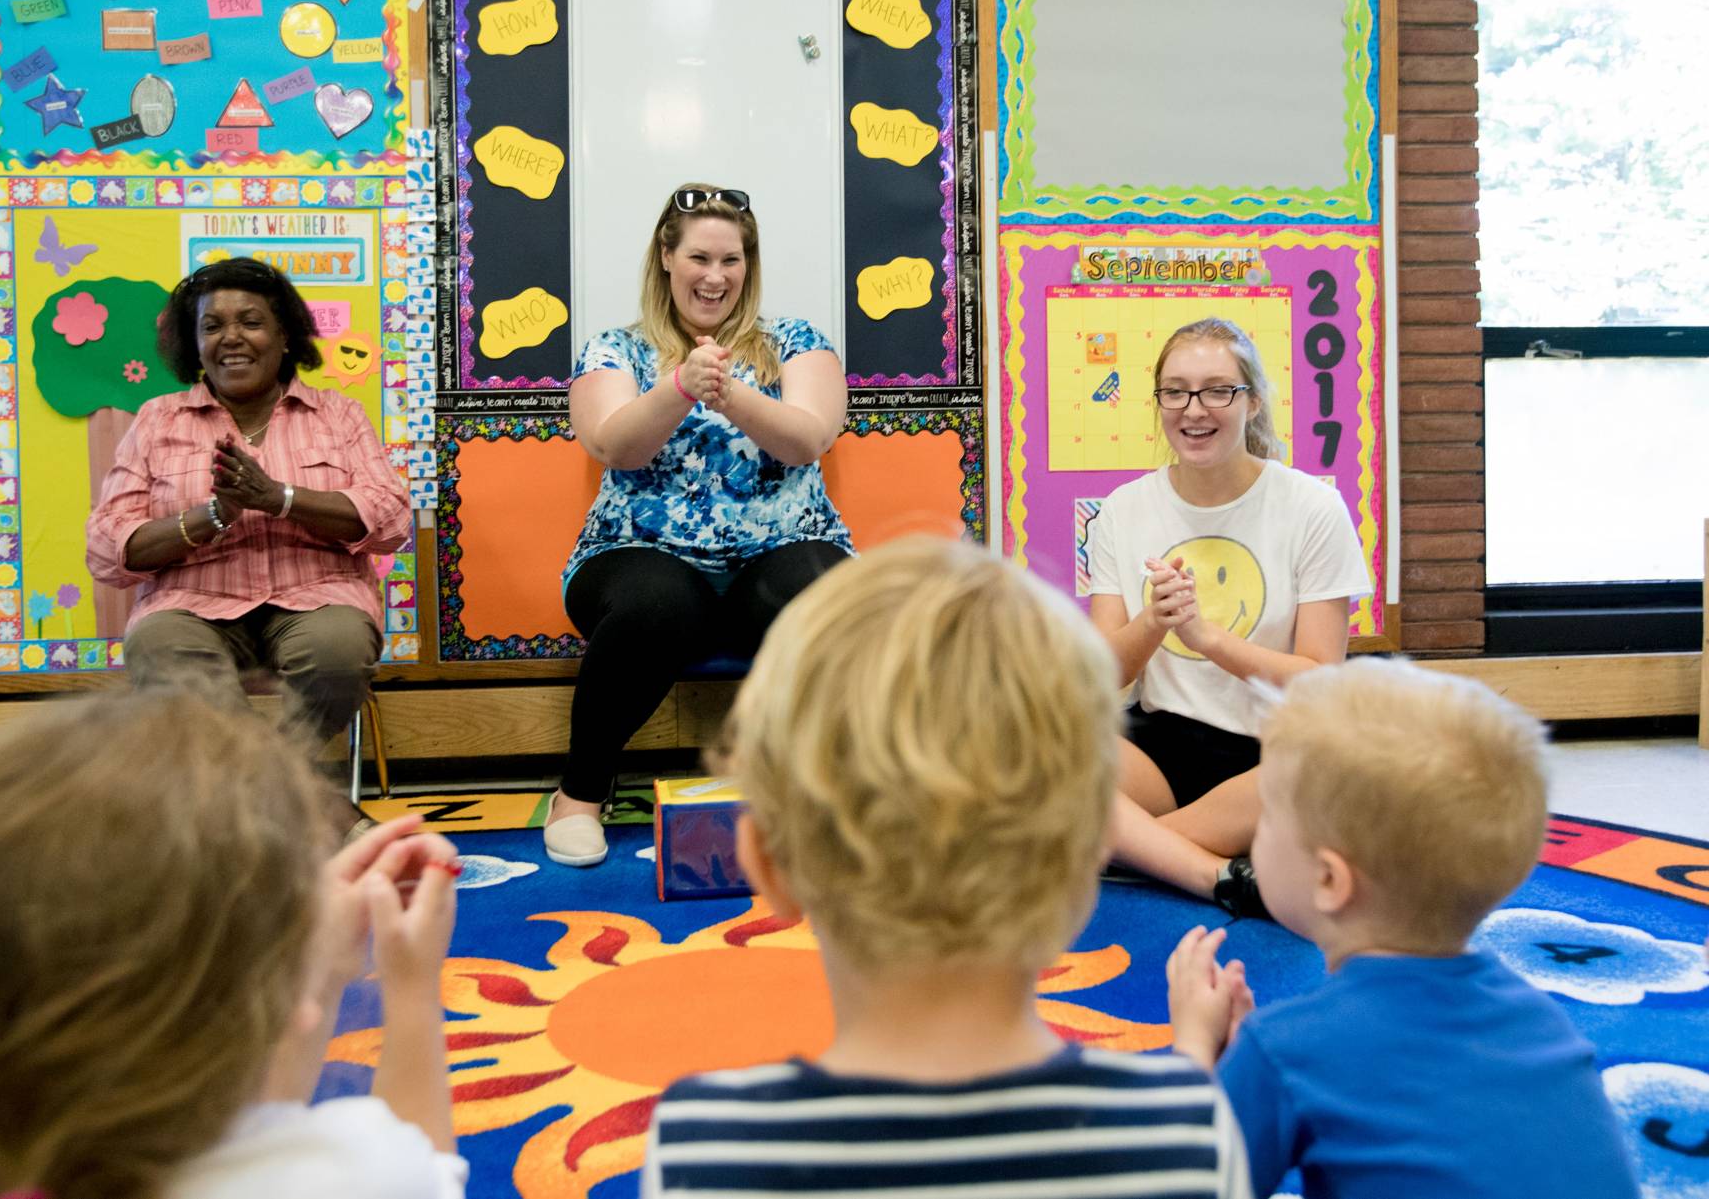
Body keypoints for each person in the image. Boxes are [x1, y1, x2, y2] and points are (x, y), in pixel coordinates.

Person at [644, 537, 1253, 1198]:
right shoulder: (1188, 1135)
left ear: (768, 864)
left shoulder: (701, 1147)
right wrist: (1193, 1062)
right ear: (1084, 859)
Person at [0, 685, 469, 1199]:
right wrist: (412, 990)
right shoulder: (348, 1170)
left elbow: (249, 1099)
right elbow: (432, 1170)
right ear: (284, 1004)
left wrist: (316, 967)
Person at [1165, 659, 1639, 1199]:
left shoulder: (1286, 1047)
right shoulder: (1546, 1022)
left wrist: (1196, 1052)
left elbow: (1187, 1184)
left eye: (1266, 815)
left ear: (1328, 879)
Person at [550, 183, 852, 867]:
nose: (716, 277)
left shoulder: (797, 342)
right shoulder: (613, 348)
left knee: (827, 593)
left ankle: (825, 799)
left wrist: (731, 390)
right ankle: (579, 793)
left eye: (732, 260)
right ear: (666, 256)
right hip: (639, 551)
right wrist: (679, 385)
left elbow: (808, 438)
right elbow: (611, 444)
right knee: (657, 604)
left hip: (775, 549)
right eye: (699, 258)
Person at [1085, 317, 1371, 912]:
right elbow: (1096, 679)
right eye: (1176, 391)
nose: (1195, 409)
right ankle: (1218, 875)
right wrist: (1154, 622)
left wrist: (1208, 638)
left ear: (1253, 400)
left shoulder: (1312, 507)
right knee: (1044, 751)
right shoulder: (1121, 509)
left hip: (1271, 756)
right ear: (1159, 400)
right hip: (1157, 751)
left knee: (1346, 772)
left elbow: (1319, 682)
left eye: (1218, 389)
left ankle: (1115, 848)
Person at [85, 257, 410, 739]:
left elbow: (391, 518)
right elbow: (109, 547)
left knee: (337, 654)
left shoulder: (338, 415)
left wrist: (278, 498)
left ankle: (262, 787)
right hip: (191, 604)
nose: (231, 338)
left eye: (251, 322)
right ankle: (295, 793)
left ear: (285, 337)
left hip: (317, 599)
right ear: (195, 344)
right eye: (212, 326)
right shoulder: (157, 420)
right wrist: (213, 516)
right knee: (160, 650)